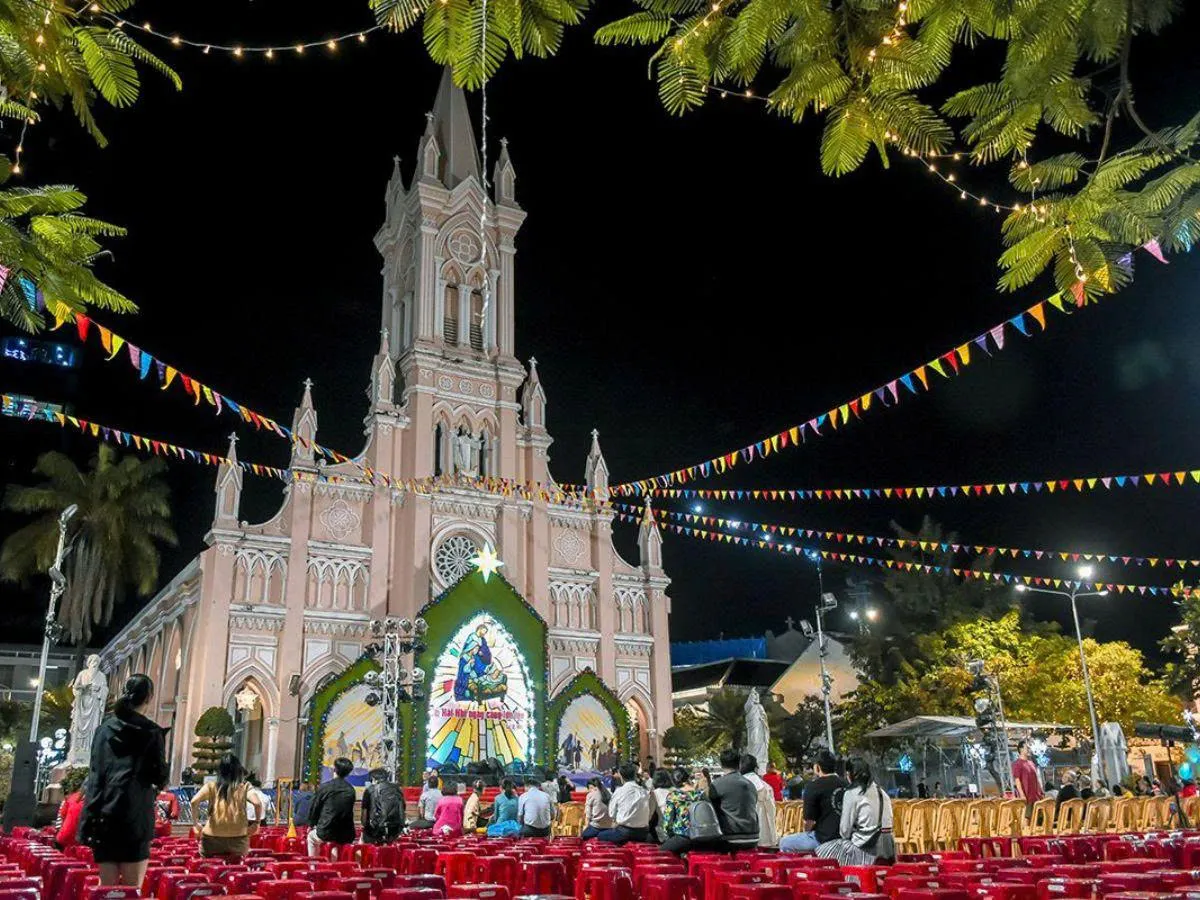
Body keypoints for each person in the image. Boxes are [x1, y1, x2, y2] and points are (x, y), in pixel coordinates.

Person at [78, 674, 168, 887]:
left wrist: (86, 821)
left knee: (107, 887)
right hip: (135, 816)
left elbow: (95, 775)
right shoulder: (152, 732)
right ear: (149, 697)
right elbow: (159, 776)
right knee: (132, 888)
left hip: (104, 814)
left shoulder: (103, 730)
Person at [815, 757, 894, 866]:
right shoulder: (882, 792)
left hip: (867, 849)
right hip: (888, 849)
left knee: (823, 850)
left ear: (849, 774)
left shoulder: (852, 793)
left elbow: (844, 831)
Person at [190, 753, 263, 857]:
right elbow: (257, 803)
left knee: (208, 864)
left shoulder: (211, 786)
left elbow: (194, 801)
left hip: (212, 838)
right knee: (238, 864)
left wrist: (195, 824)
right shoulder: (245, 787)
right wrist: (257, 823)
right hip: (238, 839)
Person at [780, 750, 845, 854]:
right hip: (844, 839)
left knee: (784, 842)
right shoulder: (846, 784)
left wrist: (807, 833)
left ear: (817, 767)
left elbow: (809, 822)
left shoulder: (813, 786)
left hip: (822, 839)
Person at [704, 749, 760, 850]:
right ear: (739, 764)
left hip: (730, 838)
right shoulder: (751, 785)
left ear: (721, 764)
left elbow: (710, 811)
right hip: (754, 836)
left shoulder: (717, 785)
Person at [307, 757, 356, 857]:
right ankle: (334, 863)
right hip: (347, 833)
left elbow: (315, 807)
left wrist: (311, 824)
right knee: (335, 843)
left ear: (334, 769)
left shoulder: (325, 787)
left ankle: (313, 862)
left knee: (311, 838)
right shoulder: (351, 790)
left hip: (327, 831)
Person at [598, 763, 654, 843]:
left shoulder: (619, 791)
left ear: (621, 776)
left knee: (600, 835)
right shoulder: (644, 791)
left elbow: (611, 814)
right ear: (635, 775)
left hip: (624, 832)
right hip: (643, 832)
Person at [658, 768, 708, 855]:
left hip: (683, 836)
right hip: (702, 835)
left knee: (661, 853)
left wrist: (669, 834)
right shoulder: (700, 794)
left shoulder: (674, 795)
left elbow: (667, 821)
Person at [739, 754, 778, 848]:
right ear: (755, 767)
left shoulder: (736, 785)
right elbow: (772, 812)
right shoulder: (765, 787)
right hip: (764, 836)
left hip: (740, 837)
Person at [362, 767, 405, 844]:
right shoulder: (397, 789)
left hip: (375, 829)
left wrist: (365, 826)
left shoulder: (370, 790)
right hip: (395, 829)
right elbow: (403, 807)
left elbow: (364, 813)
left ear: (373, 778)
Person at [56, 767, 90, 849]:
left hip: (62, 840)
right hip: (80, 846)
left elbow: (62, 818)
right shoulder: (94, 802)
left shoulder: (71, 798)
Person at [1012, 740, 1043, 812]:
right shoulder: (1017, 764)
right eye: (1027, 747)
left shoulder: (1031, 763)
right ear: (1021, 749)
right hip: (1027, 797)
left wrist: (1041, 792)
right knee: (1028, 816)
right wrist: (1022, 795)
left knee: (1038, 816)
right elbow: (1017, 781)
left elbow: (1036, 779)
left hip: (1037, 797)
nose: (1029, 749)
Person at [650, 769, 674, 842]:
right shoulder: (675, 791)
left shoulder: (654, 793)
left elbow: (649, 815)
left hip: (662, 831)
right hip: (677, 830)